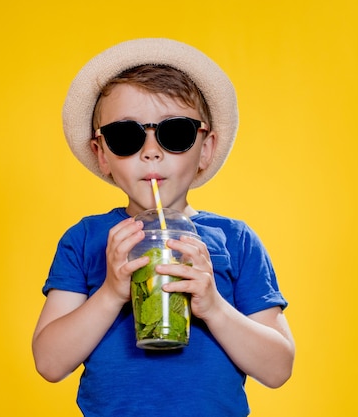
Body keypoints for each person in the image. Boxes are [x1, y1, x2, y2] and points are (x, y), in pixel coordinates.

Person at [32, 38, 295, 417]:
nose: (150, 151)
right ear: (101, 154)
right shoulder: (87, 240)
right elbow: (49, 363)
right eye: (126, 136)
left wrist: (214, 307)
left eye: (175, 134)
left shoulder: (235, 241)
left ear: (205, 148)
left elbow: (278, 369)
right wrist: (109, 293)